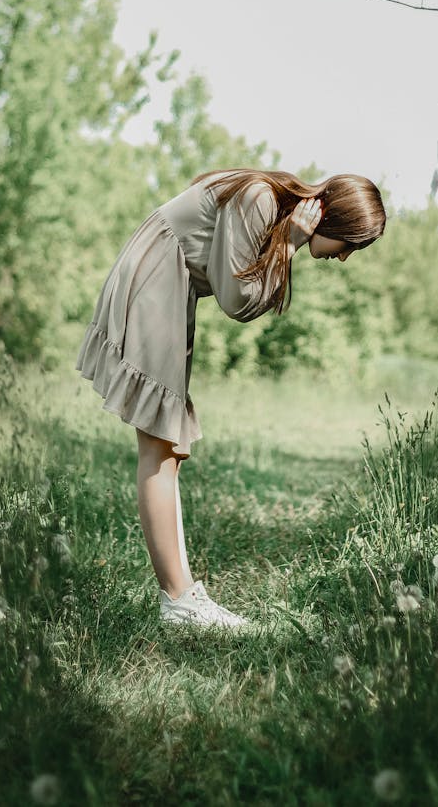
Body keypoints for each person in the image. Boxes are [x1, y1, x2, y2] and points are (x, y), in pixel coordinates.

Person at [76, 167, 386, 629]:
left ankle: (181, 595)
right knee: (158, 449)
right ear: (334, 221)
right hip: (156, 279)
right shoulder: (260, 200)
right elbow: (237, 300)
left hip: (167, 283)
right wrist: (288, 245)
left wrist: (286, 244)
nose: (343, 259)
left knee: (168, 452)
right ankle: (178, 602)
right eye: (350, 246)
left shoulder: (270, 205)